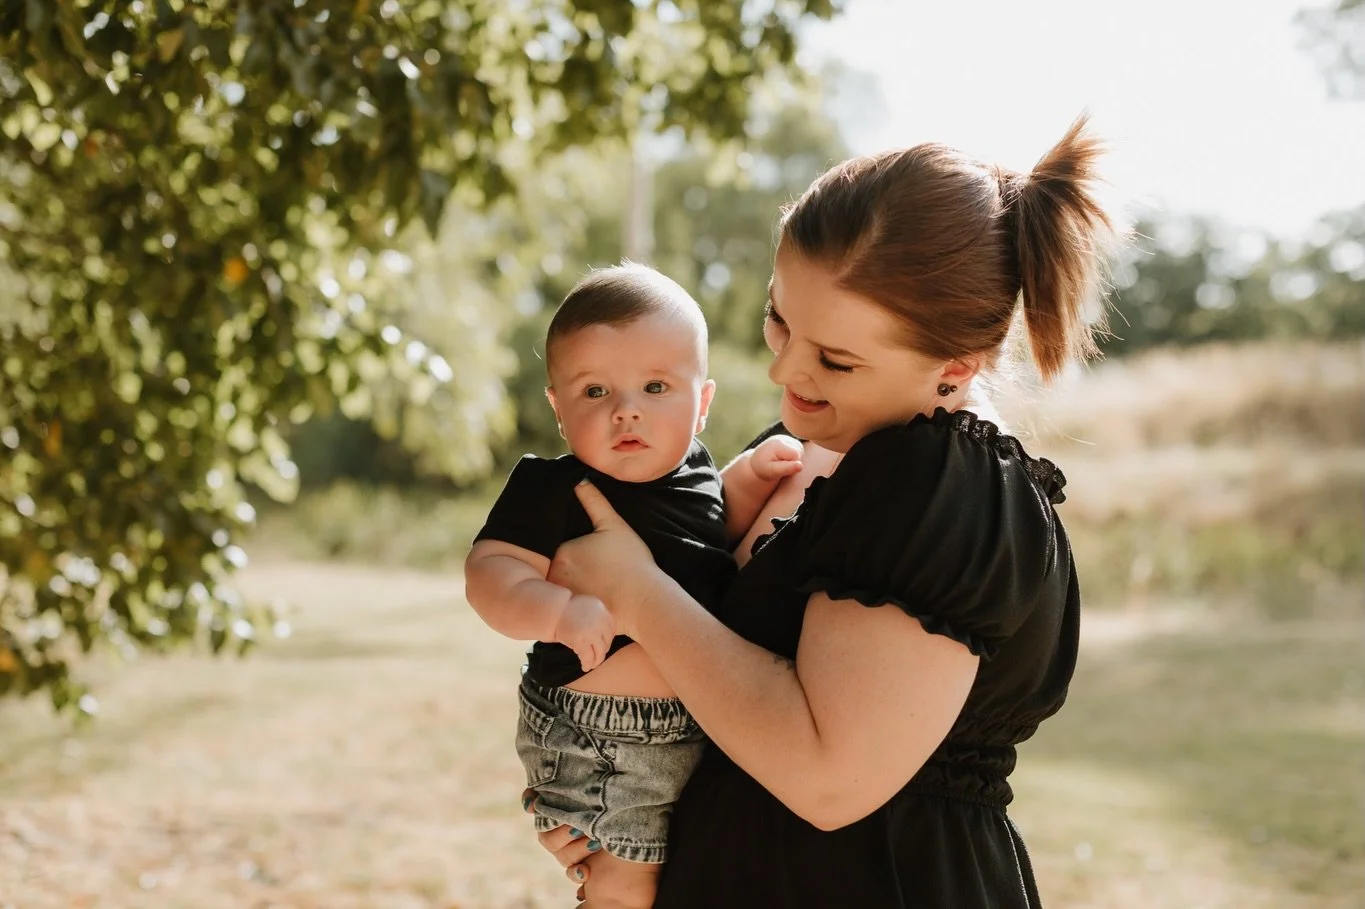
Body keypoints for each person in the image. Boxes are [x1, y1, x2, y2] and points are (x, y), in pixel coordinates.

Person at [531, 115, 1122, 908]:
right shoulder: (803, 444)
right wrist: (600, 793)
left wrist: (640, 590)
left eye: (835, 358)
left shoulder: (941, 484)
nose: (785, 368)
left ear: (956, 365)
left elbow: (826, 775)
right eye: (779, 318)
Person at [464, 263, 804, 906]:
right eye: (595, 392)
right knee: (627, 888)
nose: (626, 412)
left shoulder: (699, 471)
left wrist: (752, 479)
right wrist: (557, 611)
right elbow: (488, 574)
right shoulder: (554, 487)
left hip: (689, 726)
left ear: (701, 404)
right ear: (557, 407)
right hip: (603, 733)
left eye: (655, 387)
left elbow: (707, 537)